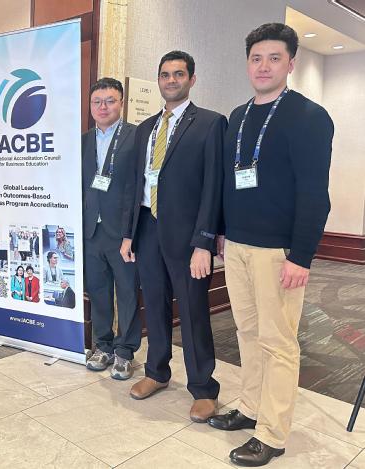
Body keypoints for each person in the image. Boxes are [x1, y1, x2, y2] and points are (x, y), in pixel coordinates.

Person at [207, 24, 334, 467]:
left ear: (290, 64)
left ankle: (272, 433)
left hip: (279, 253)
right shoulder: (239, 115)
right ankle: (250, 407)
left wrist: (302, 255)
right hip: (238, 246)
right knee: (246, 333)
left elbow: (315, 193)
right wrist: (222, 233)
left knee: (278, 342)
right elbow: (229, 183)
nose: (264, 66)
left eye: (274, 58)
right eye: (256, 58)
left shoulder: (309, 117)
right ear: (248, 64)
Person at [121, 51, 225, 422]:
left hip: (188, 236)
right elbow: (136, 184)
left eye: (178, 74)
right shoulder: (146, 128)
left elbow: (214, 186)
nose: (171, 80)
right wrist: (129, 234)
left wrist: (204, 241)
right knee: (154, 303)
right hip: (147, 228)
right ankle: (157, 372)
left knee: (193, 310)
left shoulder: (211, 123)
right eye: (165, 74)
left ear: (191, 79)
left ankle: (203, 388)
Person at [82, 77, 141, 380]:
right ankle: (103, 346)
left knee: (127, 292)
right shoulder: (82, 141)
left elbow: (136, 188)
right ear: (91, 105)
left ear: (121, 103)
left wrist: (131, 233)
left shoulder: (136, 136)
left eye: (110, 101)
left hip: (122, 234)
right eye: (97, 101)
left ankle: (125, 351)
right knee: (98, 291)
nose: (103, 107)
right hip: (91, 231)